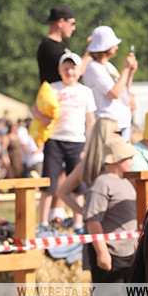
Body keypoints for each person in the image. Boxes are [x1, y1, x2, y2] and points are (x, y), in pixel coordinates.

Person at [33, 51, 96, 233]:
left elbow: (90, 120)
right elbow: (35, 109)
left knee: (78, 185)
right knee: (48, 183)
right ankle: (43, 223)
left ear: (79, 71)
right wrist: (42, 118)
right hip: (54, 140)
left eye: (73, 68)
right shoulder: (51, 88)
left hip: (77, 141)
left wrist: (90, 145)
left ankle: (78, 222)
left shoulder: (85, 92)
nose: (70, 72)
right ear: (60, 70)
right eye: (66, 68)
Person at [83, 136, 137, 296]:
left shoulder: (125, 182)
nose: (132, 162)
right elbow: (93, 221)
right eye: (129, 158)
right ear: (117, 160)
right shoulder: (102, 183)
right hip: (111, 251)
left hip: (126, 251)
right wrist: (102, 252)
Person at [82, 26, 137, 186]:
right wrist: (125, 68)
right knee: (109, 169)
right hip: (109, 126)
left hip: (120, 123)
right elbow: (114, 93)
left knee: (122, 168)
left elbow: (123, 91)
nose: (117, 47)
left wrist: (130, 73)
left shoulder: (107, 66)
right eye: (113, 44)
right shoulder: (94, 68)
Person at [37, 4, 77, 84]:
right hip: (55, 92)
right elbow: (77, 70)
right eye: (71, 24)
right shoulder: (50, 47)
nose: (74, 28)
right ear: (60, 22)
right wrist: (91, 52)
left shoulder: (56, 46)